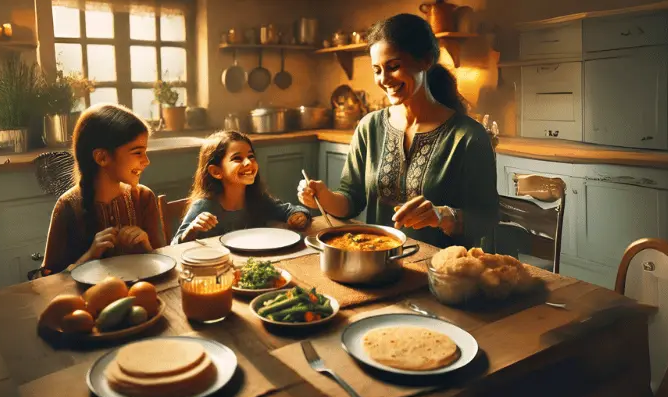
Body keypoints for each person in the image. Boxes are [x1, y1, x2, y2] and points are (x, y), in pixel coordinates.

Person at [297, 13, 498, 249]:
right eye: (377, 70)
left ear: (426, 60)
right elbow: (351, 199)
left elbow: (487, 218)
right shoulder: (369, 127)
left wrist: (443, 216)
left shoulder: (467, 136)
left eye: (393, 67)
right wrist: (323, 196)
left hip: (440, 272)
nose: (384, 79)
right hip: (377, 262)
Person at [39, 103, 165, 276]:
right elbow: (48, 279)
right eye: (137, 152)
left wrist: (146, 246)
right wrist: (90, 255)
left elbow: (164, 262)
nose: (146, 161)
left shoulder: (144, 198)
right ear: (102, 157)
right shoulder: (67, 207)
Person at [172, 130, 311, 244]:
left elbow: (291, 210)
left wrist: (299, 216)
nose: (248, 163)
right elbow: (174, 247)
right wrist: (192, 229)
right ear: (216, 172)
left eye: (251, 156)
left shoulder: (258, 201)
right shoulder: (205, 207)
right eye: (237, 158)